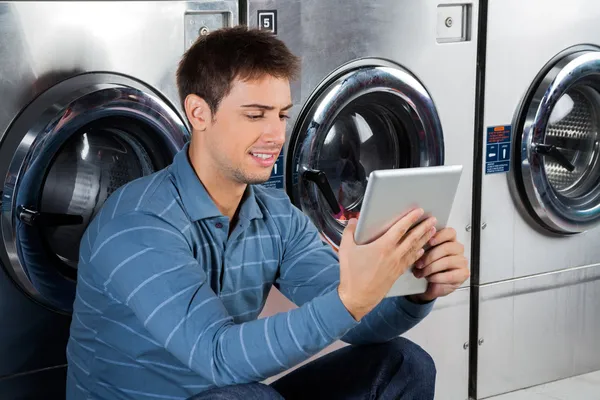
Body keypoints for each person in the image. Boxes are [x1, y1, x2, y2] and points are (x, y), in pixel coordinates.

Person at [65, 26, 469, 400]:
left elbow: (361, 319)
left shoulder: (275, 215)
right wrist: (350, 300)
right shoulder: (138, 222)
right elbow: (218, 357)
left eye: (282, 115)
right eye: (255, 115)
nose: (276, 135)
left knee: (402, 364)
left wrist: (415, 289)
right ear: (199, 113)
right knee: (250, 396)